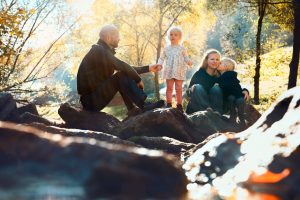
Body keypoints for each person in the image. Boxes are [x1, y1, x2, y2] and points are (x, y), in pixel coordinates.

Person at [77, 24, 164, 116]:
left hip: (92, 100)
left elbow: (124, 67)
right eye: (117, 35)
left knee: (122, 74)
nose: (119, 38)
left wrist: (149, 68)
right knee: (121, 75)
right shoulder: (99, 50)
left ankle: (132, 109)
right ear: (109, 36)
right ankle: (143, 105)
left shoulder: (101, 51)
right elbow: (122, 66)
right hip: (90, 101)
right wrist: (138, 79)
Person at [185, 49, 249, 115]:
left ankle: (216, 113)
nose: (215, 61)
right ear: (206, 60)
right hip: (200, 107)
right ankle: (207, 112)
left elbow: (234, 84)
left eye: (217, 59)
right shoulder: (199, 74)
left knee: (216, 88)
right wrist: (192, 89)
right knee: (198, 87)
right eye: (212, 59)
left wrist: (245, 90)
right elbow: (188, 95)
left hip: (217, 108)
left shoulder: (222, 75)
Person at [158, 27, 192, 112]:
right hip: (169, 70)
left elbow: (185, 57)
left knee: (178, 88)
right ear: (168, 36)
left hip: (179, 70)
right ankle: (169, 103)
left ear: (180, 37)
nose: (172, 36)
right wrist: (159, 64)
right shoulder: (166, 48)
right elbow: (161, 58)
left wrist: (188, 62)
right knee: (169, 88)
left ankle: (179, 105)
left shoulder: (182, 48)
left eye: (175, 35)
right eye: (171, 34)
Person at [217, 57, 246, 126]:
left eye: (220, 63)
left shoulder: (227, 75)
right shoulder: (230, 75)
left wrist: (218, 84)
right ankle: (241, 121)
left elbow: (227, 84)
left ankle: (236, 120)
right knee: (238, 109)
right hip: (238, 95)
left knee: (234, 106)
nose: (218, 64)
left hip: (235, 95)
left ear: (226, 67)